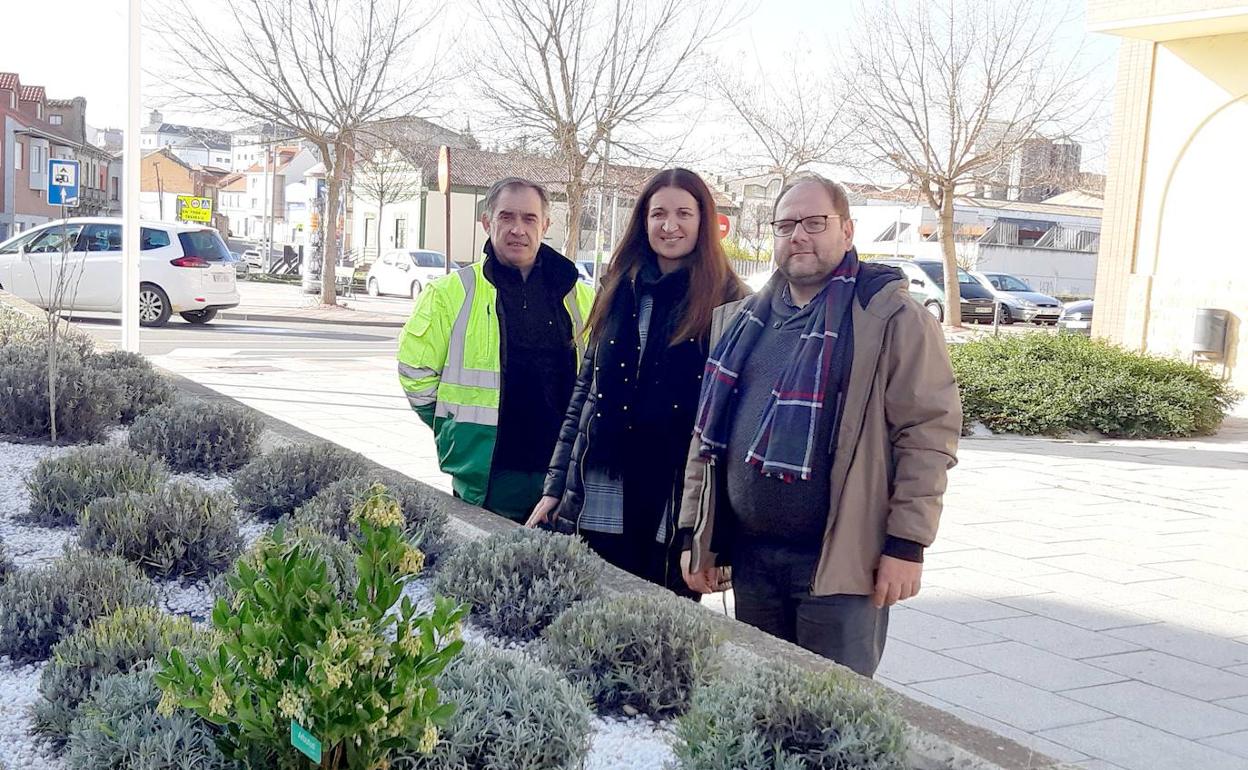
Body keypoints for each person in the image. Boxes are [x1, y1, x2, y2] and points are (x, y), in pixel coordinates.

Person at [677, 173, 961, 677]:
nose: (798, 236)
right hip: (753, 561)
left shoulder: (890, 318)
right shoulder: (742, 321)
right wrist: (695, 534)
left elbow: (927, 434)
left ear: (847, 232)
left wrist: (907, 545)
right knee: (761, 708)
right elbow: (707, 439)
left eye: (814, 222)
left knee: (832, 717)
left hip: (839, 567)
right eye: (786, 225)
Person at [527, 169, 747, 598]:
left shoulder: (730, 301)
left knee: (659, 627)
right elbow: (584, 396)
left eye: (684, 213)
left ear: (704, 221)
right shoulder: (619, 287)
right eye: (658, 213)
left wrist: (715, 535)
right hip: (602, 484)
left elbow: (730, 424)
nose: (670, 225)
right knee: (590, 616)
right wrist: (555, 487)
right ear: (642, 221)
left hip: (674, 494)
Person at [397, 177, 595, 521]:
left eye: (529, 219)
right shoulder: (450, 294)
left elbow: (595, 381)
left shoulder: (581, 297)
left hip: (562, 478)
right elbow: (415, 374)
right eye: (507, 217)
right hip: (488, 478)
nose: (518, 229)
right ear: (488, 222)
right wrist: (454, 426)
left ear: (545, 225)